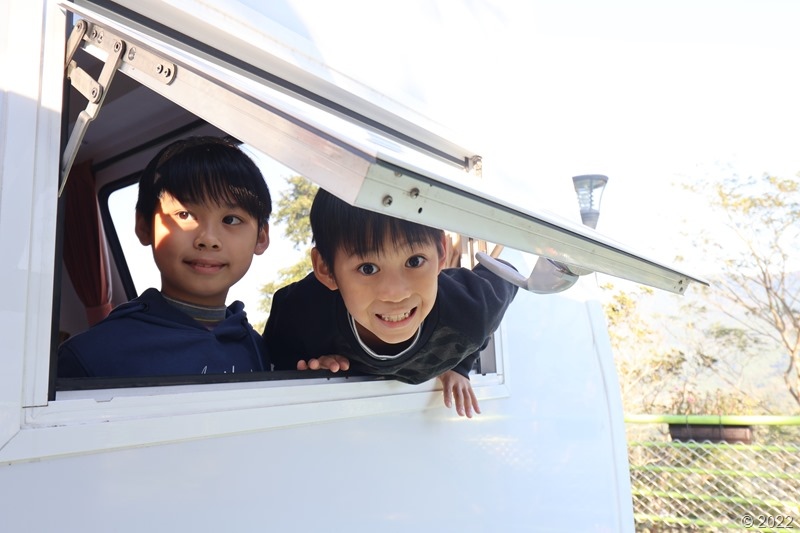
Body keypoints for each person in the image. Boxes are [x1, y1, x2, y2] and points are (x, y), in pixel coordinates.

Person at [263, 188, 518, 417]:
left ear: (441, 251)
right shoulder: (304, 314)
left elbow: (505, 273)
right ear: (326, 269)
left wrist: (459, 364)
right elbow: (275, 356)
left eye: (414, 261)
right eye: (368, 268)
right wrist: (306, 367)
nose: (395, 293)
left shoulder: (470, 311)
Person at [58, 136, 271, 378]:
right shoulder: (91, 356)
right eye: (185, 214)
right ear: (144, 226)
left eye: (231, 219)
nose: (208, 238)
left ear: (261, 237)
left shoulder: (260, 349)